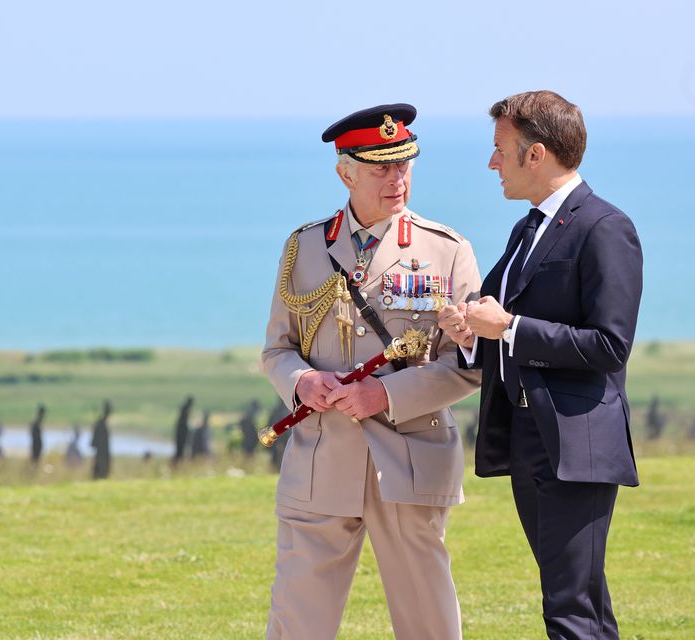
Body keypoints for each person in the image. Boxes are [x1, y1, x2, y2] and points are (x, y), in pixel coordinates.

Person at [262, 103, 482, 639]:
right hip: (319, 460)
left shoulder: (447, 250)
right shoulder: (305, 247)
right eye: (381, 167)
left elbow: (469, 365)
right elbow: (278, 350)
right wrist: (302, 383)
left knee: (428, 623)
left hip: (408, 461)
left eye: (404, 164)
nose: (397, 178)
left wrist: (384, 397)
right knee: (298, 624)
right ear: (346, 172)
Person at [439, 90, 643, 639]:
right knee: (578, 603)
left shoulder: (604, 228)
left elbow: (609, 346)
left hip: (578, 444)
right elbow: (501, 329)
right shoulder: (527, 228)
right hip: (530, 436)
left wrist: (507, 327)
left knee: (571, 608)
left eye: (500, 149)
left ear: (537, 154)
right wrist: (470, 334)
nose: (491, 162)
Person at [92, 400, 112, 480]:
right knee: (101, 472)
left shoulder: (100, 424)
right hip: (101, 453)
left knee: (102, 472)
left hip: (103, 453)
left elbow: (93, 442)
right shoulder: (101, 425)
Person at [172, 395, 193, 464]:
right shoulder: (185, 409)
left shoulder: (183, 409)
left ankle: (177, 463)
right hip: (181, 435)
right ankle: (177, 463)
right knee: (179, 451)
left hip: (181, 434)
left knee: (180, 451)